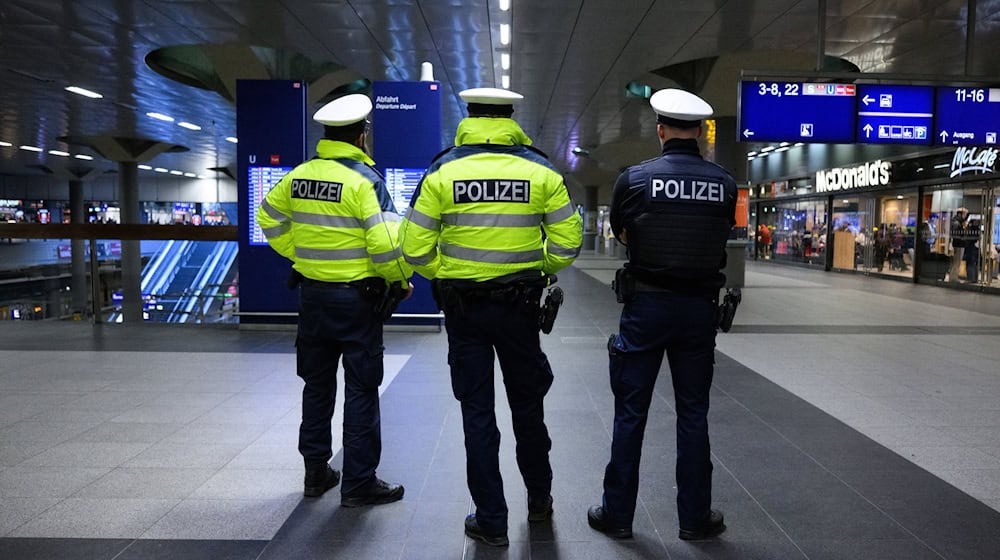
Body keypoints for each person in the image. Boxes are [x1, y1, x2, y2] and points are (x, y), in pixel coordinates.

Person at [400, 87, 582, 547]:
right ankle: (539, 501)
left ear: (470, 117)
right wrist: (538, 267)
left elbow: (414, 248)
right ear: (511, 118)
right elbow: (567, 242)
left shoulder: (442, 171)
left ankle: (491, 520)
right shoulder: (540, 170)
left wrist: (450, 273)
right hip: (520, 309)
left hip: (464, 312)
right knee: (528, 408)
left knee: (477, 415)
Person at [587, 88, 736, 542]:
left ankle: (618, 515)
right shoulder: (724, 184)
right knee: (693, 414)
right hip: (698, 312)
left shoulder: (634, 180)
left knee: (631, 412)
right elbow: (719, 231)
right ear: (702, 134)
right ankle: (694, 518)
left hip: (646, 308)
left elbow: (622, 233)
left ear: (660, 130)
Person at [256, 93, 412, 507]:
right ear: (362, 137)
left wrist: (301, 254)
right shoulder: (366, 182)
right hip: (358, 302)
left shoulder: (299, 176)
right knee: (361, 388)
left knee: (317, 385)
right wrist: (400, 280)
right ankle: (359, 483)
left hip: (312, 298)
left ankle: (315, 473)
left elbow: (267, 216)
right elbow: (386, 245)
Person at [950, 207, 969, 282]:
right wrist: (962, 237)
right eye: (965, 214)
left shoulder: (958, 221)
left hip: (958, 244)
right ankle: (953, 278)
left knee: (956, 262)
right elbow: (956, 234)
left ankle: (953, 277)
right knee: (956, 262)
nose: (966, 216)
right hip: (958, 245)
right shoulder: (957, 222)